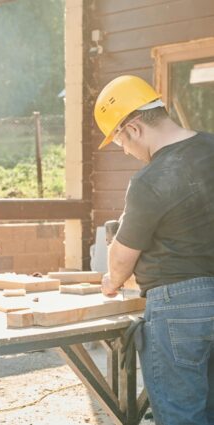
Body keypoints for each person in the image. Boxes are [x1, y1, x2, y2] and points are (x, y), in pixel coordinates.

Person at [94, 75, 214, 425]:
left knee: (183, 416)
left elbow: (120, 260)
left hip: (179, 308)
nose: (125, 150)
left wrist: (111, 281)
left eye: (120, 140)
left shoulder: (152, 179)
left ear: (134, 127)